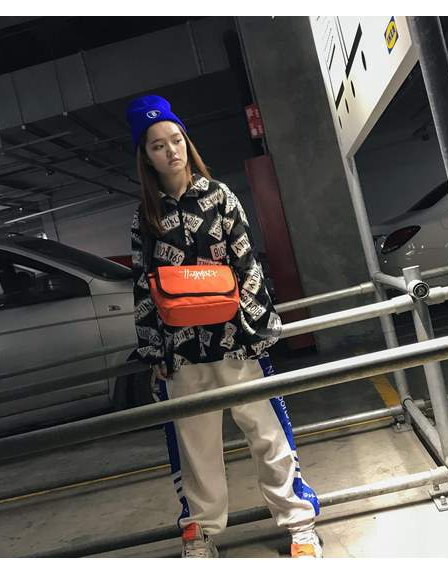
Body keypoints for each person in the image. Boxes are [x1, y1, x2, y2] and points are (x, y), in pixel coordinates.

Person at [126, 95, 322, 559]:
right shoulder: (144, 217)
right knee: (195, 450)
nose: (171, 151)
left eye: (176, 139)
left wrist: (259, 331)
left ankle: (300, 525)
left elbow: (248, 265)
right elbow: (142, 286)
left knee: (268, 435)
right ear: (145, 156)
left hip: (236, 342)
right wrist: (153, 352)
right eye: (158, 145)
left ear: (185, 141)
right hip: (181, 352)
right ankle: (201, 534)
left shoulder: (219, 196)